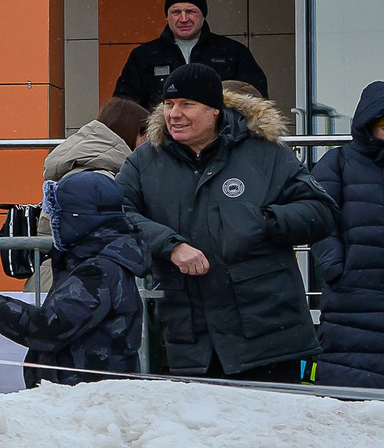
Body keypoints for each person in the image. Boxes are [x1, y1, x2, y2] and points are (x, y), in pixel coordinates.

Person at [118, 64, 334, 381]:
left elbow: (321, 211)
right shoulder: (144, 161)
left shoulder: (266, 154)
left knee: (274, 429)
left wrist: (264, 220)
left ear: (215, 109)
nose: (174, 114)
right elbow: (115, 212)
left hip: (270, 337)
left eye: (186, 104)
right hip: (192, 342)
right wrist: (170, 246)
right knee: (203, 430)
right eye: (168, 104)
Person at [0, 173, 149, 384]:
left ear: (79, 219)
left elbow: (50, 327)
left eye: (58, 214)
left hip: (87, 398)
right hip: (77, 394)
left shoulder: (99, 268)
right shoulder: (86, 259)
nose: (53, 221)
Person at [312, 81, 384, 390]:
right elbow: (317, 219)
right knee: (345, 382)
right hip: (351, 297)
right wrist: (336, 269)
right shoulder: (338, 163)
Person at [112, 0, 268, 105]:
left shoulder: (232, 52)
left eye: (191, 11)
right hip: (161, 140)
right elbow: (125, 105)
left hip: (221, 141)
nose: (184, 18)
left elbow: (256, 99)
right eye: (176, 12)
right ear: (167, 17)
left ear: (203, 15)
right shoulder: (143, 56)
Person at [46, 97, 149, 182]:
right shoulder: (98, 181)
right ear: (131, 133)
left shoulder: (91, 171)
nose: (150, 144)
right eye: (148, 135)